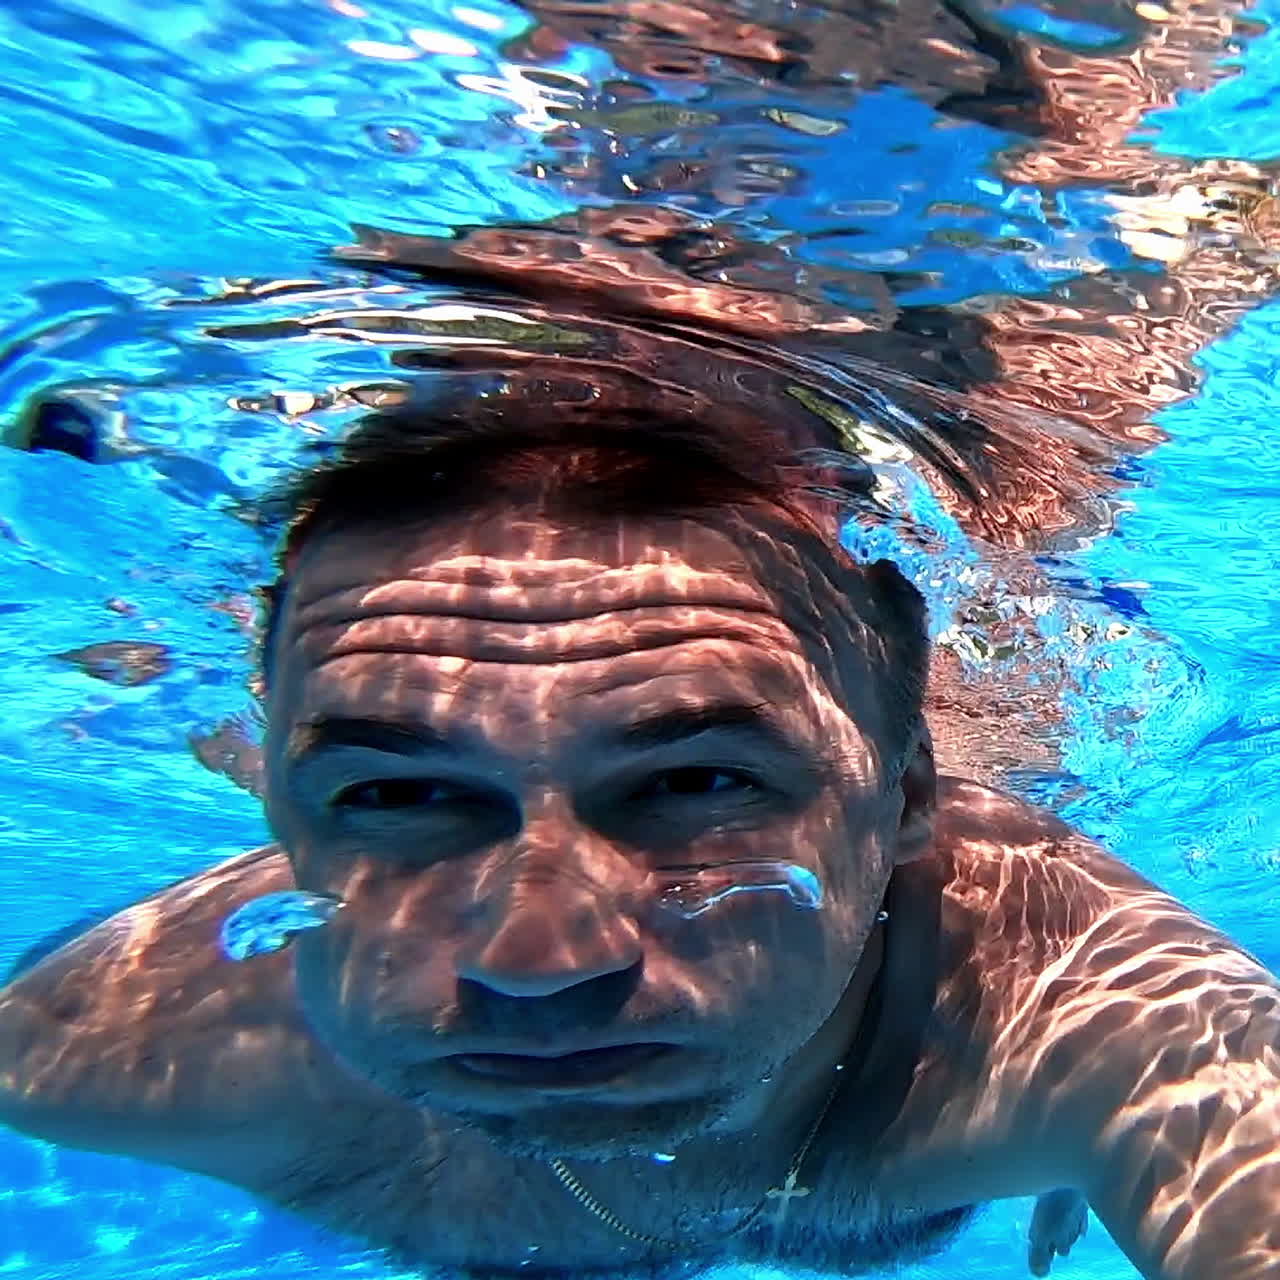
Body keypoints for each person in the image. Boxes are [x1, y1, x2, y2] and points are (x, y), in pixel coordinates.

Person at [1, 392, 1278, 1280]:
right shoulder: (85, 1049)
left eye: (697, 780)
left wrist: (1096, 1146)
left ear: (900, 801)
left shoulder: (1094, 1015)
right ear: (273, 803)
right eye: (394, 794)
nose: (537, 958)